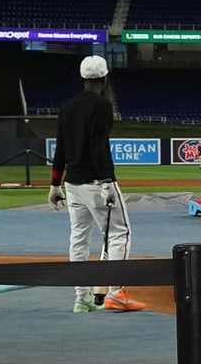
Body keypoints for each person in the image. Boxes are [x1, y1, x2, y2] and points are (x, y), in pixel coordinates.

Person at [48, 54, 146, 313]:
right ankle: (116, 293)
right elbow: (99, 146)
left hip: (72, 184)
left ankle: (81, 298)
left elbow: (60, 148)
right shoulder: (102, 106)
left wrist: (54, 184)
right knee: (119, 233)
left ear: (82, 79)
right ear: (104, 79)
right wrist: (107, 182)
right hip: (95, 182)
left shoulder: (67, 106)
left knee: (78, 239)